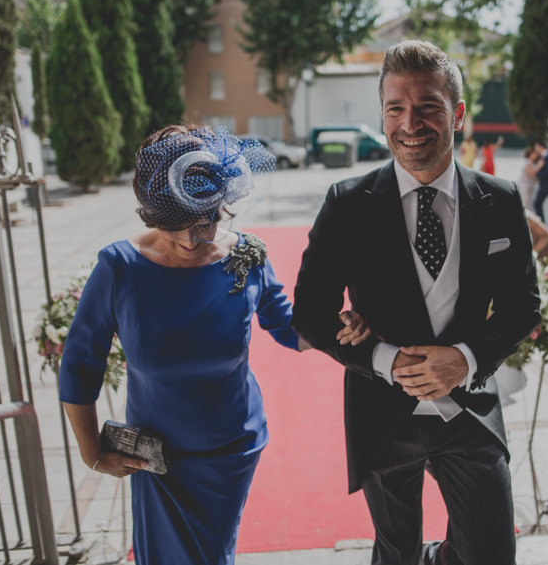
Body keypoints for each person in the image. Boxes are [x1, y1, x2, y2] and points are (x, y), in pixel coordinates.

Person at [57, 124, 371, 565]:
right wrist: (93, 453)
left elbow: (286, 327)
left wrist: (337, 327)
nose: (190, 239)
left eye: (204, 223)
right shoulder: (119, 267)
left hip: (231, 450)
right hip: (156, 458)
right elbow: (78, 364)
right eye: (176, 227)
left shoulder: (246, 257)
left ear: (221, 207)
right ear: (153, 214)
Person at [292, 40, 541, 565]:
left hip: (469, 411)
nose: (411, 123)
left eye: (428, 105)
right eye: (395, 108)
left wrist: (466, 358)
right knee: (396, 553)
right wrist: (384, 360)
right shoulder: (346, 204)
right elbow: (310, 313)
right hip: (383, 416)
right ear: (382, 115)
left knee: (490, 555)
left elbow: (524, 306)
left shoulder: (499, 200)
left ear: (458, 113)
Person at [518, 145, 543, 211]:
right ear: (530, 154)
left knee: (528, 203)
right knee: (525, 203)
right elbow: (529, 173)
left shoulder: (531, 162)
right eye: (534, 154)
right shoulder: (528, 162)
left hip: (529, 186)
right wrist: (539, 166)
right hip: (525, 186)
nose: (536, 155)